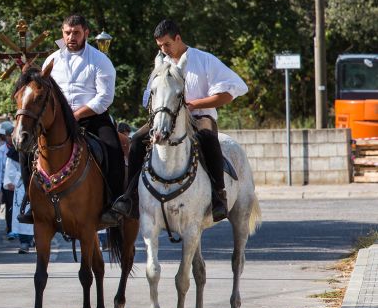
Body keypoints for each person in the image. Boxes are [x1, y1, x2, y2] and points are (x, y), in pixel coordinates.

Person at [112, 19, 248, 223]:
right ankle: (131, 195)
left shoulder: (204, 60)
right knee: (137, 140)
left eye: (167, 44)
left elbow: (230, 92)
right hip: (165, 117)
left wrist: (194, 104)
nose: (164, 49)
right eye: (159, 46)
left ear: (178, 38)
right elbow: (147, 97)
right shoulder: (161, 64)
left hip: (199, 117)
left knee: (208, 139)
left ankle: (219, 196)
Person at [18, 14, 125, 227]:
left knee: (113, 148)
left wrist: (77, 115)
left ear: (86, 33)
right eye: (67, 33)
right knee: (26, 149)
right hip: (57, 121)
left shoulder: (100, 60)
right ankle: (31, 201)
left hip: (92, 118)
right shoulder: (52, 60)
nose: (71, 37)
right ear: (62, 33)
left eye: (76, 32)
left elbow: (104, 98)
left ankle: (114, 204)